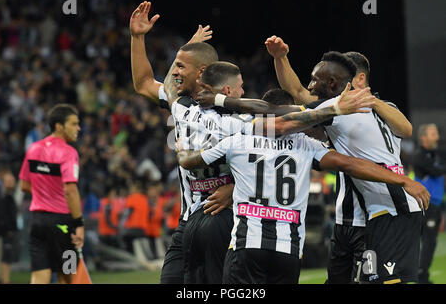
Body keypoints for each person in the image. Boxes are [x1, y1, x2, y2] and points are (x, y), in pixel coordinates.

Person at [175, 120, 429, 284]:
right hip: (288, 250)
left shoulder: (237, 141)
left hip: (246, 245)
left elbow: (190, 161)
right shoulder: (306, 144)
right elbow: (350, 164)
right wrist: (402, 180)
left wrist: (181, 149)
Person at [260, 51, 429, 284]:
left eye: (316, 79)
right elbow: (407, 130)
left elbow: (296, 96)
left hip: (386, 209)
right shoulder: (380, 108)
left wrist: (280, 59)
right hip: (367, 212)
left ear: (357, 80)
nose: (311, 86)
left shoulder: (347, 107)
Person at [130, 0, 233, 283]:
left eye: (180, 67)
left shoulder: (233, 109)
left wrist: (234, 190)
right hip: (188, 221)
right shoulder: (181, 104)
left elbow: (262, 157)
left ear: (201, 73)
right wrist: (138, 37)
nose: (174, 72)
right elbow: (143, 83)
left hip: (225, 220)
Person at [18, 104, 84, 284]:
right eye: (73, 124)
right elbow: (70, 190)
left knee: (39, 277)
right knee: (69, 276)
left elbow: (24, 185)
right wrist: (78, 223)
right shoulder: (68, 152)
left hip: (37, 222)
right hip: (62, 224)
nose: (78, 128)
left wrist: (45, 193)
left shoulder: (34, 148)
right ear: (58, 126)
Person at [414, 124, 446, 284]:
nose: (437, 137)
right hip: (425, 204)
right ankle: (420, 276)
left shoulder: (435, 155)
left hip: (435, 203)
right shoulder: (419, 155)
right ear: (424, 137)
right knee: (427, 240)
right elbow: (436, 171)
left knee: (430, 241)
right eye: (433, 134)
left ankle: (422, 274)